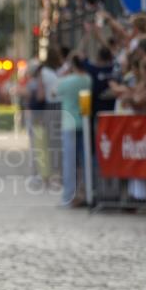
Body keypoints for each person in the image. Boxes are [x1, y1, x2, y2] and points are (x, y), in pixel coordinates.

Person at [55, 55, 92, 207]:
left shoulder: (67, 81)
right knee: (85, 161)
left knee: (69, 162)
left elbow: (53, 92)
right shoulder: (88, 79)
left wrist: (64, 73)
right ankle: (86, 193)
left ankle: (69, 196)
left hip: (69, 124)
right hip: (84, 122)